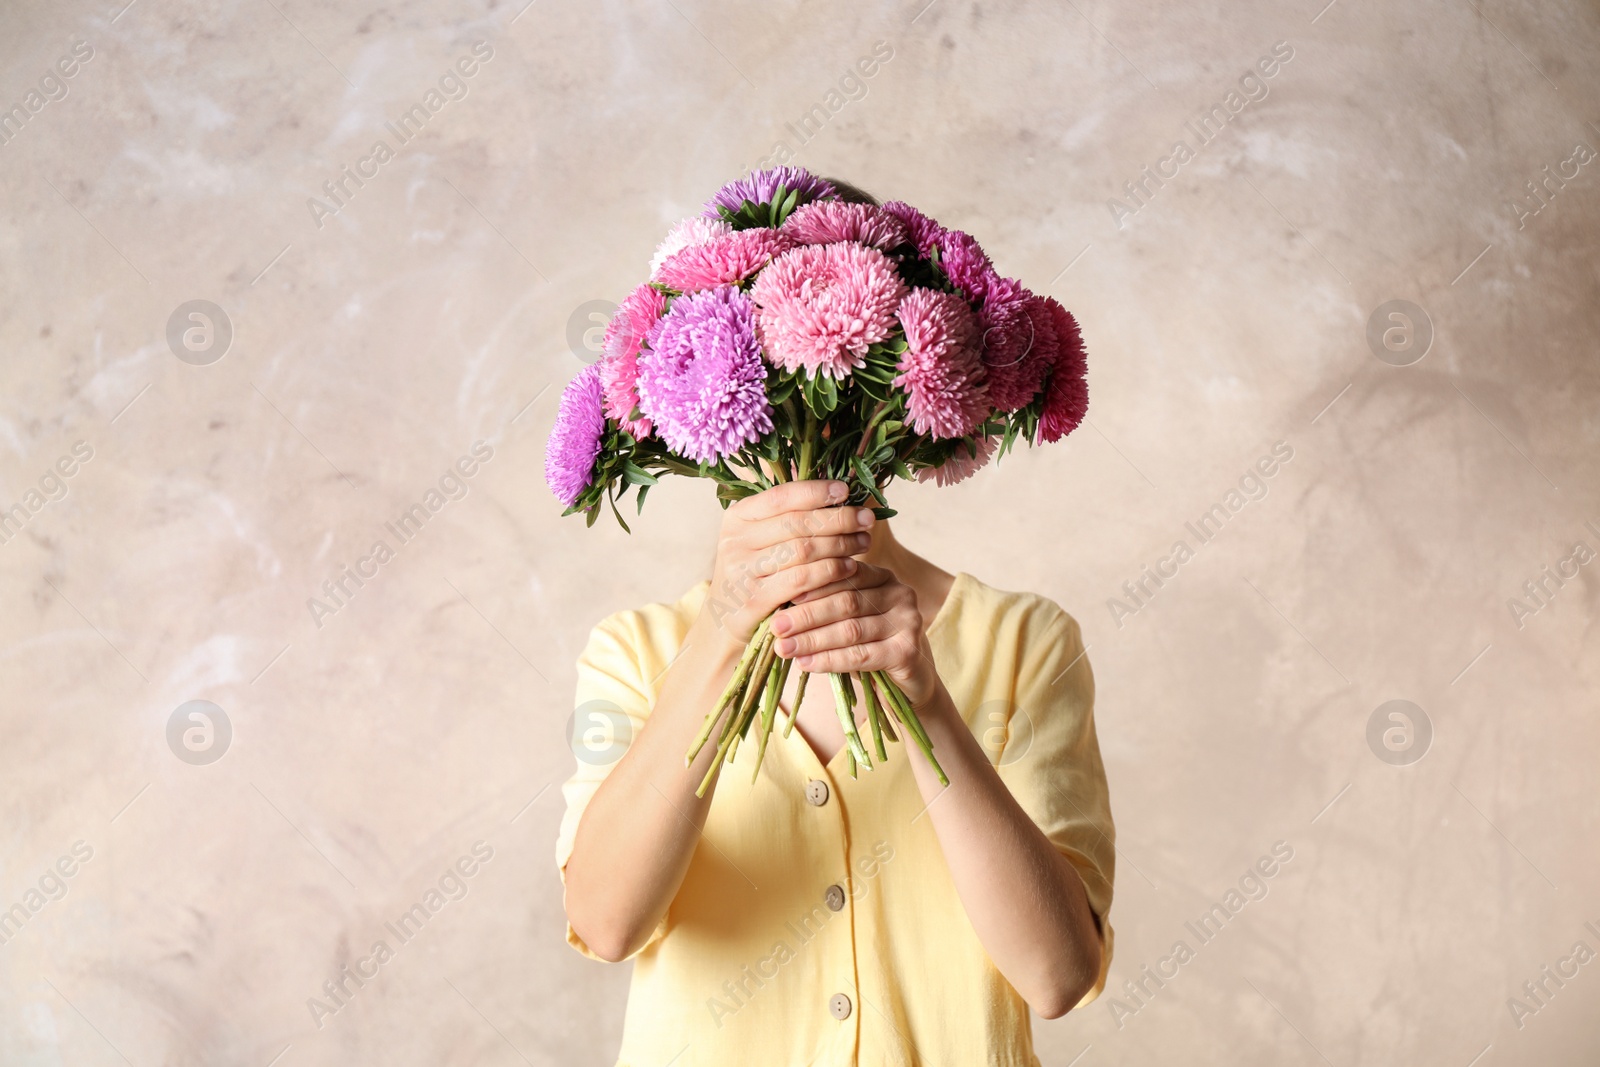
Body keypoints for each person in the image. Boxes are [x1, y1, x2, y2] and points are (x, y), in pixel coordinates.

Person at [556, 478, 1115, 1065]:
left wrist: (930, 711)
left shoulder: (1026, 640)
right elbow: (605, 925)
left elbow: (1057, 975)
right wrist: (720, 641)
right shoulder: (635, 650)